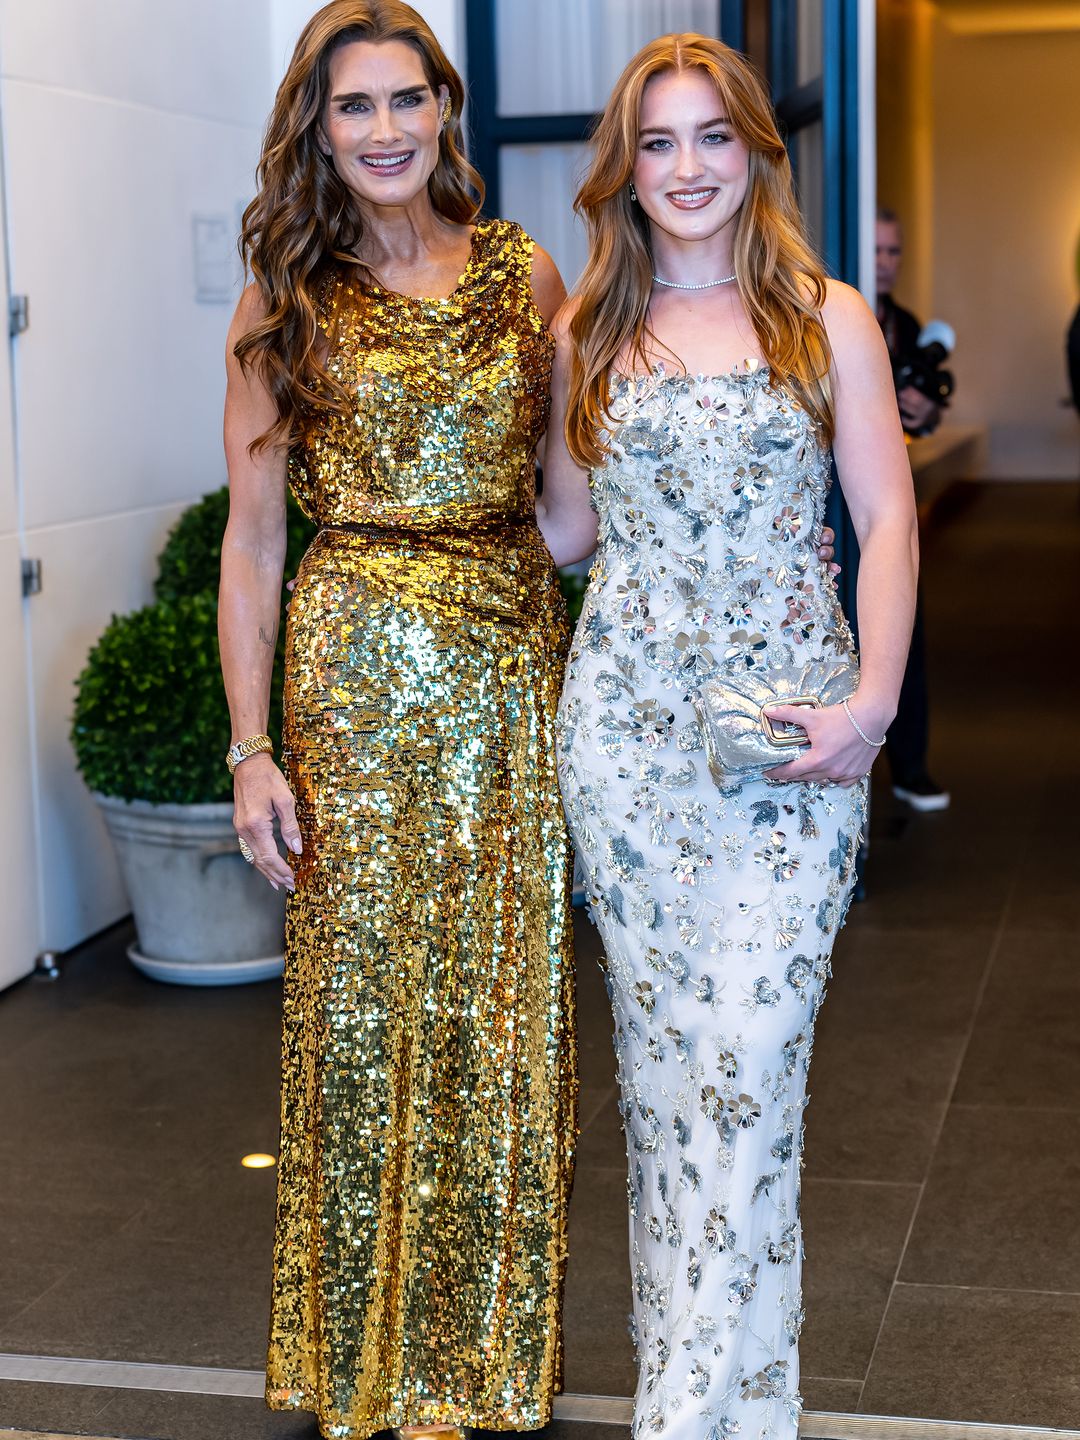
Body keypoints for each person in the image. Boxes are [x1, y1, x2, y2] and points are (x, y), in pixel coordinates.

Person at [537, 35, 917, 1440]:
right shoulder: (585, 331)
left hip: (790, 744)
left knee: (750, 1064)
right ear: (626, 169)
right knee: (667, 1075)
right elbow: (571, 536)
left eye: (713, 137)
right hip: (628, 749)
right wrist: (434, 494)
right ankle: (738, 1409)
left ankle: (685, 1416)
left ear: (757, 152)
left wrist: (872, 705)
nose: (688, 167)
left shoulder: (829, 318)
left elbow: (883, 520)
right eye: (658, 142)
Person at [217, 4, 578, 1436]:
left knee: (502, 1013)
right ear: (318, 127)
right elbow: (255, 546)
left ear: (445, 109)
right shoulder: (284, 298)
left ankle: (477, 1371)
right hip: (356, 681)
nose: (382, 132)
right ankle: (363, 1361)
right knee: (362, 1017)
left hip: (507, 675)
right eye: (351, 107)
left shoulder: (525, 271)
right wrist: (253, 747)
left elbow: (566, 512)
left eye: (404, 101)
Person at [874, 207, 950, 810]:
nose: (885, 262)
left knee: (904, 623)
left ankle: (909, 766)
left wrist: (923, 413)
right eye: (876, 250)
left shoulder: (905, 324)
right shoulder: (821, 314)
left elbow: (923, 413)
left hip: (892, 492)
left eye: (894, 251)